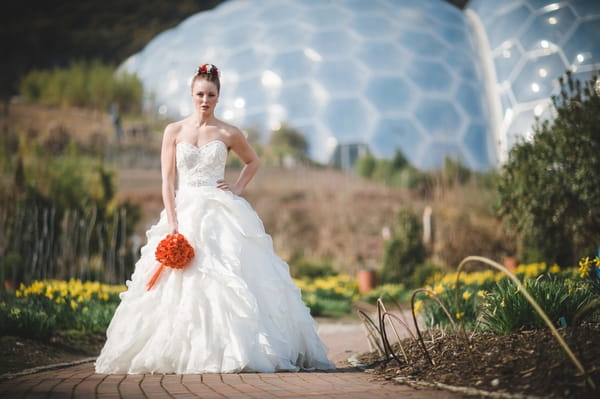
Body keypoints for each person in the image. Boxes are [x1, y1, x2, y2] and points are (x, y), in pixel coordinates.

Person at [95, 64, 335, 374]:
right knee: (181, 281)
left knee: (227, 274)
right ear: (191, 95)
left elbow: (253, 161)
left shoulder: (228, 132)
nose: (204, 100)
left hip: (220, 210)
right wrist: (173, 221)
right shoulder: (174, 131)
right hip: (184, 208)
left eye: (210, 95)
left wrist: (236, 188)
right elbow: (167, 182)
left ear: (218, 97)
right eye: (199, 94)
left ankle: (233, 349)